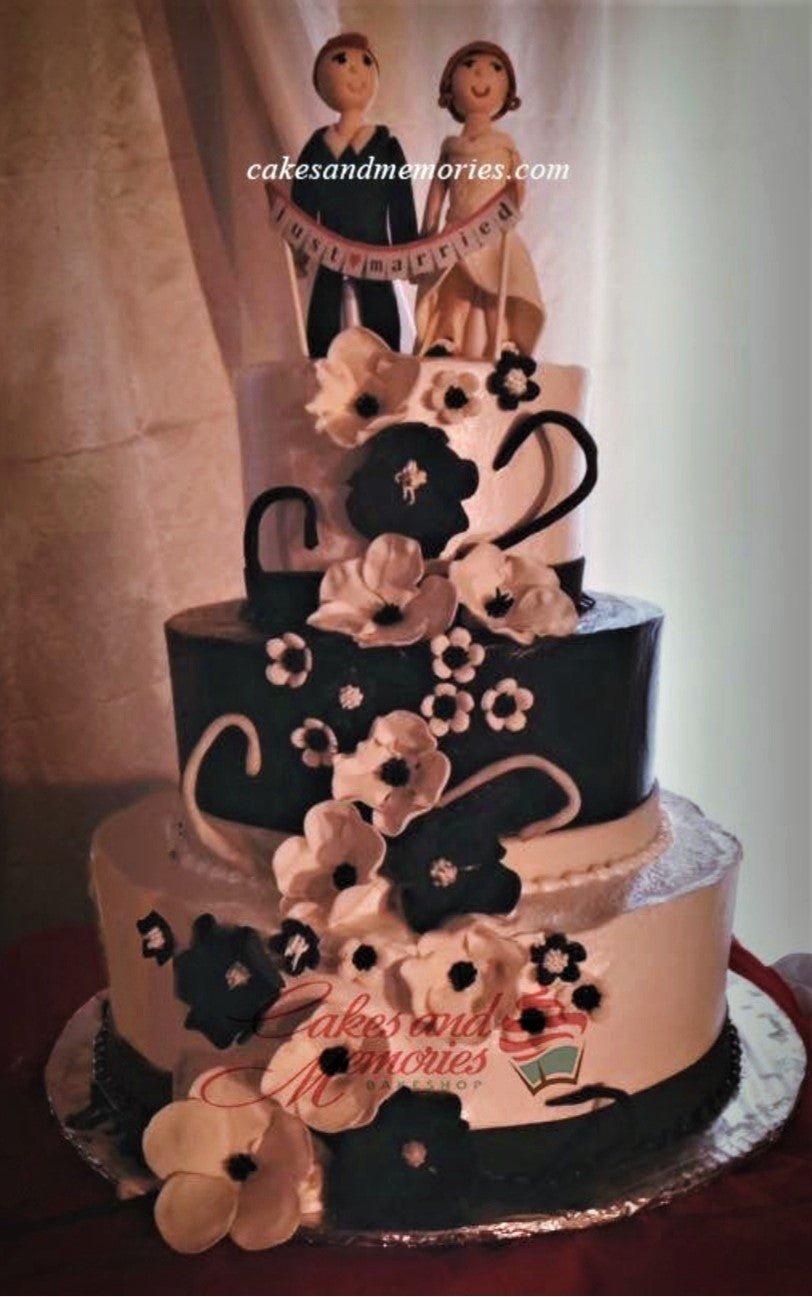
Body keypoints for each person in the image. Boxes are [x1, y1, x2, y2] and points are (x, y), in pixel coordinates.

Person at [415, 41, 545, 359]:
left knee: (497, 292)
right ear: (450, 88)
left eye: (495, 69)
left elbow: (517, 187)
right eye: (470, 66)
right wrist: (427, 234)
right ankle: (445, 338)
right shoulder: (451, 148)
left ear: (507, 92)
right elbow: (436, 194)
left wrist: (507, 212)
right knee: (453, 292)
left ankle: (503, 342)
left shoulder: (504, 147)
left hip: (494, 233)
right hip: (456, 233)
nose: (481, 75)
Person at [292, 32, 418, 358]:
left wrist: (408, 248)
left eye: (365, 62)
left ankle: (386, 369)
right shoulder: (318, 147)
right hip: (329, 251)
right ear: (320, 83)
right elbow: (303, 199)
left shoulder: (386, 146)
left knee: (383, 325)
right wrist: (299, 249)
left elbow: (401, 202)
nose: (354, 70)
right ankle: (324, 371)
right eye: (342, 61)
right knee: (324, 323)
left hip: (376, 254)